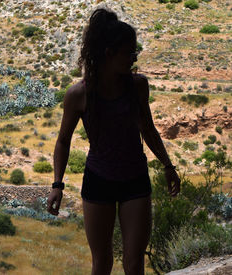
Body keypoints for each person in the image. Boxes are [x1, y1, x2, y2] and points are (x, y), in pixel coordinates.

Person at [47, 7, 181, 275]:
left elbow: (148, 129)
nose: (133, 58)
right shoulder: (78, 95)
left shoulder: (138, 86)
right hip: (99, 181)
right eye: (129, 52)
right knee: (102, 263)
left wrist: (168, 166)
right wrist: (57, 185)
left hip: (135, 180)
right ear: (109, 53)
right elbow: (63, 141)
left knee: (134, 264)